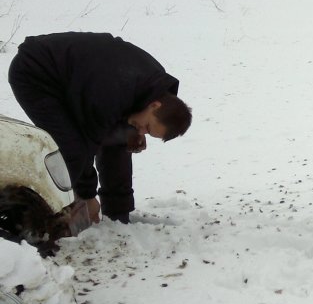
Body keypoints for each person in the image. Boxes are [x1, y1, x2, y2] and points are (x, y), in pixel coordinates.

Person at [7, 31, 192, 225]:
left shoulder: (154, 88)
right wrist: (87, 196)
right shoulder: (112, 93)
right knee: (71, 148)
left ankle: (117, 215)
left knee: (121, 138)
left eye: (148, 132)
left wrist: (132, 131)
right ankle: (39, 217)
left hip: (79, 80)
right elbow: (87, 141)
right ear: (155, 106)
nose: (141, 132)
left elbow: (113, 128)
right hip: (36, 72)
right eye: (146, 126)